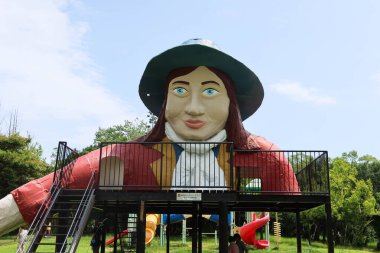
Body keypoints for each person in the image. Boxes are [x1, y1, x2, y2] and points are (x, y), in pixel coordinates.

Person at [0, 38, 299, 234]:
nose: (193, 108)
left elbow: (288, 189)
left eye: (210, 91)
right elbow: (56, 183)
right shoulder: (130, 155)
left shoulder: (257, 152)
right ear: (165, 103)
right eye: (180, 91)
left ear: (231, 103)